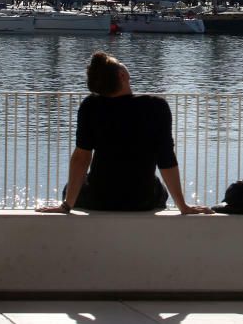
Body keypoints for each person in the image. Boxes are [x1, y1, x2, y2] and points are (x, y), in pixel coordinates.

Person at [37, 52, 211, 215]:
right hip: (142, 200)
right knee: (158, 187)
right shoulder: (156, 107)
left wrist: (67, 205)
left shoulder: (91, 106)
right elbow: (166, 159)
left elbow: (81, 157)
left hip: (99, 199)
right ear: (122, 75)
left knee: (71, 187)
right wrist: (183, 207)